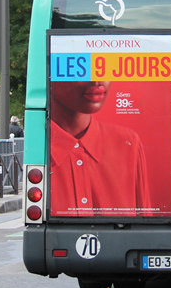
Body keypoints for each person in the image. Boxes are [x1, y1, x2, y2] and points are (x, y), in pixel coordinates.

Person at [49, 80, 151, 216]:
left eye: (104, 63)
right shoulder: (39, 148)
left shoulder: (128, 143)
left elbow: (143, 227)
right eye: (80, 63)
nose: (96, 79)